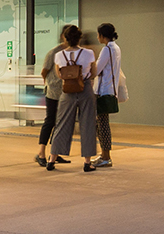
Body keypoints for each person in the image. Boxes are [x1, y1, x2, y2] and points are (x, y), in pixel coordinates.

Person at [45, 24, 97, 172]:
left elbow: (59, 74)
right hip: (85, 89)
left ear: (65, 39)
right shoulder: (89, 53)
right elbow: (93, 72)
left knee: (62, 124)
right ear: (79, 38)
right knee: (87, 124)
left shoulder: (59, 55)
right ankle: (87, 162)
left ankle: (52, 159)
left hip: (67, 90)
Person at [91, 22, 126, 169]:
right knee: (103, 123)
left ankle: (106, 156)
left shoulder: (107, 50)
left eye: (98, 34)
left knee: (102, 124)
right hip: (110, 90)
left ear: (102, 35)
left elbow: (97, 69)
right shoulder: (116, 48)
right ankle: (105, 155)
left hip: (103, 91)